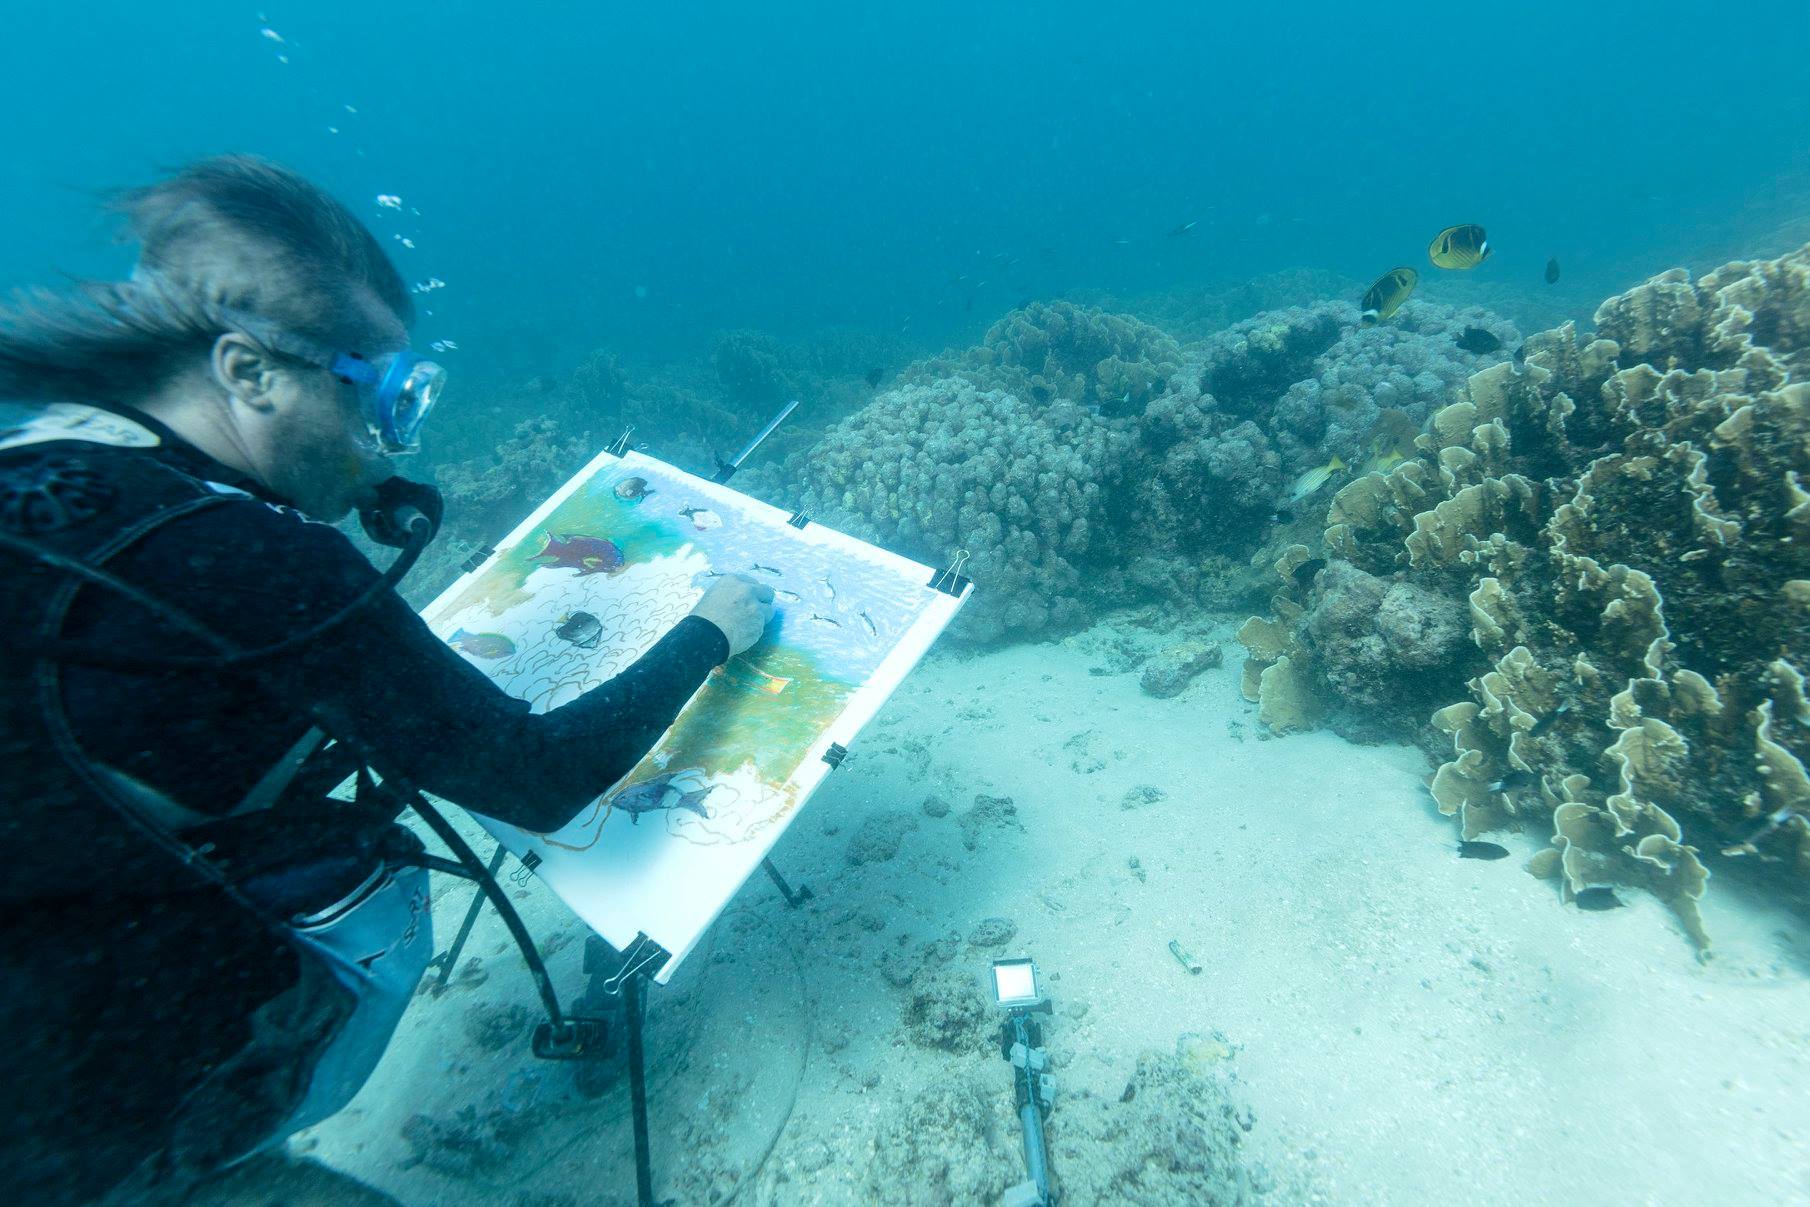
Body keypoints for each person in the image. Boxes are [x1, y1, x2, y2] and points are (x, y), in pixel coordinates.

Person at [0, 156, 774, 1203]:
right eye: (378, 400)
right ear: (250, 373)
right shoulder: (248, 559)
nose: (382, 445)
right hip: (79, 1134)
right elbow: (540, 777)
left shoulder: (47, 462)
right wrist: (710, 632)